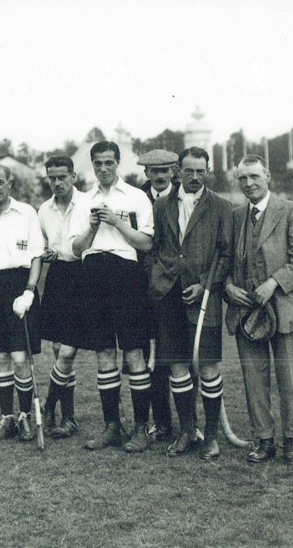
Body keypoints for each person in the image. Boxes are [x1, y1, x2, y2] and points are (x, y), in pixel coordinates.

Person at [225, 154, 293, 465]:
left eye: (254, 176)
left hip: (285, 308)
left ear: (268, 176)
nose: (248, 183)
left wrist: (273, 283)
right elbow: (224, 261)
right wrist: (228, 286)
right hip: (247, 311)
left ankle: (292, 441)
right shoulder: (235, 216)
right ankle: (264, 440)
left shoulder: (291, 211)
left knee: (289, 377)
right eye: (243, 178)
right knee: (254, 378)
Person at [146, 147, 232, 460]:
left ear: (207, 171)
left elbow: (226, 254)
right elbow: (155, 248)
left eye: (200, 171)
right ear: (177, 171)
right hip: (168, 295)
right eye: (189, 171)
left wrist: (205, 285)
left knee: (208, 366)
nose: (195, 177)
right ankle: (187, 432)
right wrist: (157, 278)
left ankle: (211, 437)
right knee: (177, 366)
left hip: (204, 297)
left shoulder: (221, 206)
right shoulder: (162, 205)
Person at [69, 141, 155, 453]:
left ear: (118, 163)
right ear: (92, 165)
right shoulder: (83, 201)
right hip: (93, 273)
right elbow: (76, 249)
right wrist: (92, 229)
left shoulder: (135, 196)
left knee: (133, 352)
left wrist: (117, 223)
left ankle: (141, 428)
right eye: (98, 163)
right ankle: (112, 426)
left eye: (109, 162)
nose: (103, 168)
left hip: (126, 275)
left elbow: (146, 244)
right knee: (104, 353)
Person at [0, 164, 44, 443]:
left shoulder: (27, 212)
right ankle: (7, 418)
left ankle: (25, 415)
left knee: (19, 358)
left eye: (0, 182)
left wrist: (29, 291)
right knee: (2, 357)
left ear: (9, 183)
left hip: (20, 287)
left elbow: (37, 255)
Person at [37, 156, 88, 440]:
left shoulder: (88, 203)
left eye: (62, 177)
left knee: (68, 352)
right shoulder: (44, 209)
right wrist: (49, 252)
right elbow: (44, 242)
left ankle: (48, 406)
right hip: (57, 277)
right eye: (52, 178)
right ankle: (68, 418)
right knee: (59, 350)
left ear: (73, 176)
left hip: (83, 276)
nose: (57, 183)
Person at [137, 148, 180, 442]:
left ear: (173, 171)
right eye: (155, 171)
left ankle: (190, 423)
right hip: (144, 290)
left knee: (180, 358)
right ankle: (162, 422)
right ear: (147, 173)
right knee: (151, 358)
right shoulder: (136, 198)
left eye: (165, 170)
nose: (161, 175)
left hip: (176, 288)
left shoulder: (185, 197)